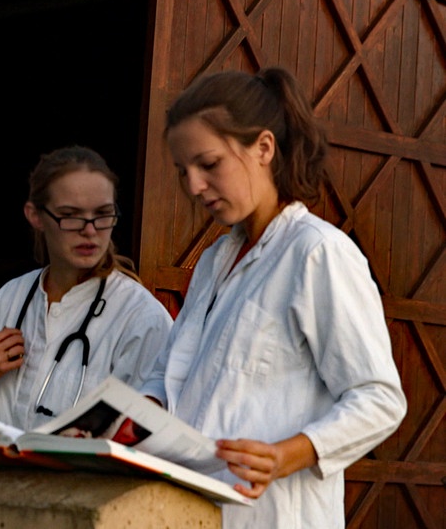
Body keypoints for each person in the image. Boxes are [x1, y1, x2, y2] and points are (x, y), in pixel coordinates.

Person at [139, 67, 407, 528]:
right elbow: (171, 375)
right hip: (193, 511)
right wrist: (131, 418)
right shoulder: (212, 263)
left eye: (209, 164)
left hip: (276, 516)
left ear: (263, 148)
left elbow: (379, 398)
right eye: (184, 171)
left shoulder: (316, 253)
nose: (193, 186)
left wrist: (286, 455)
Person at [0, 145, 173, 431]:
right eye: (71, 215)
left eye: (103, 214)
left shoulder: (141, 319)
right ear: (35, 216)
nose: (90, 230)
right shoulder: (8, 301)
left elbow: (151, 433)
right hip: (7, 475)